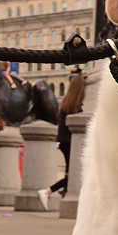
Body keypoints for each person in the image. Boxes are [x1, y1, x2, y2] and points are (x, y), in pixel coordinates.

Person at [37, 74, 86, 210]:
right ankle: (47, 191)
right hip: (70, 143)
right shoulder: (75, 107)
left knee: (70, 173)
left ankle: (63, 192)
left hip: (64, 142)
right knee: (76, 173)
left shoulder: (67, 103)